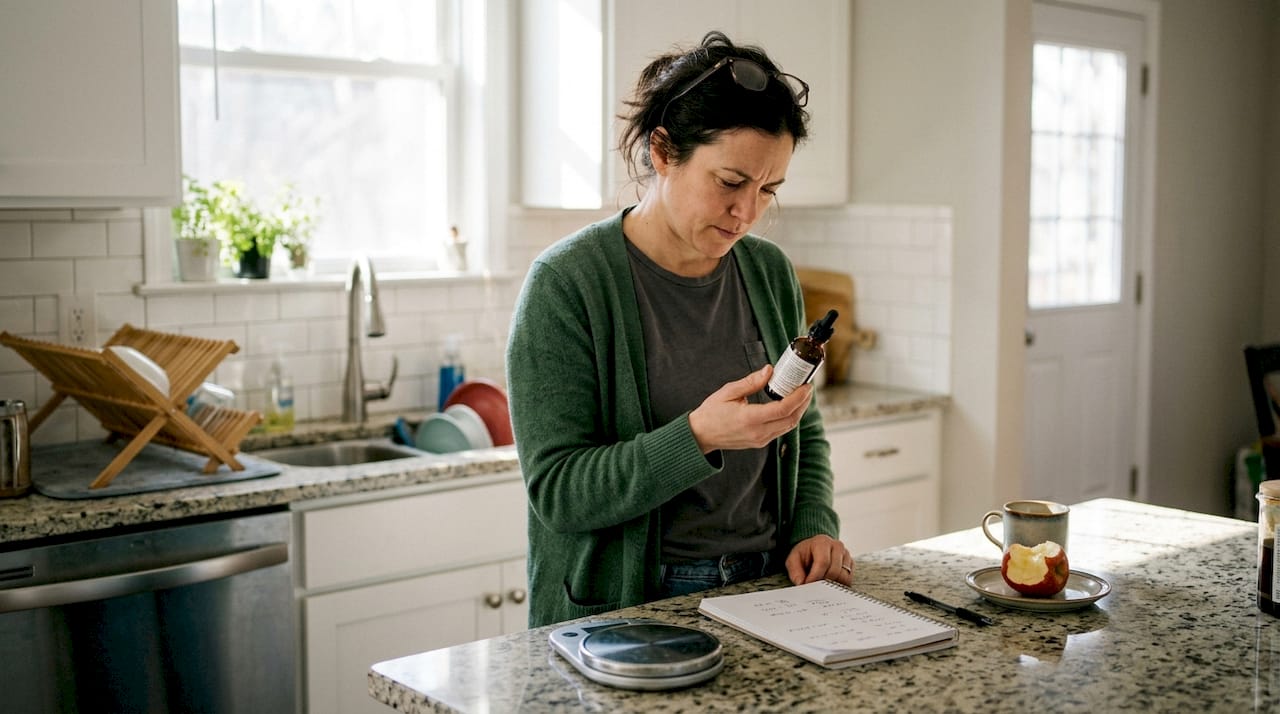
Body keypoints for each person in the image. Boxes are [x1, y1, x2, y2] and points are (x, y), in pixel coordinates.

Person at [506, 30, 852, 628]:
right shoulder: (567, 285)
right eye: (730, 182)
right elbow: (560, 492)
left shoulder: (769, 273)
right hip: (633, 605)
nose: (747, 213)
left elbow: (805, 427)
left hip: (771, 589)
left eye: (769, 189)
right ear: (663, 152)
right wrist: (697, 436)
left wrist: (812, 525)